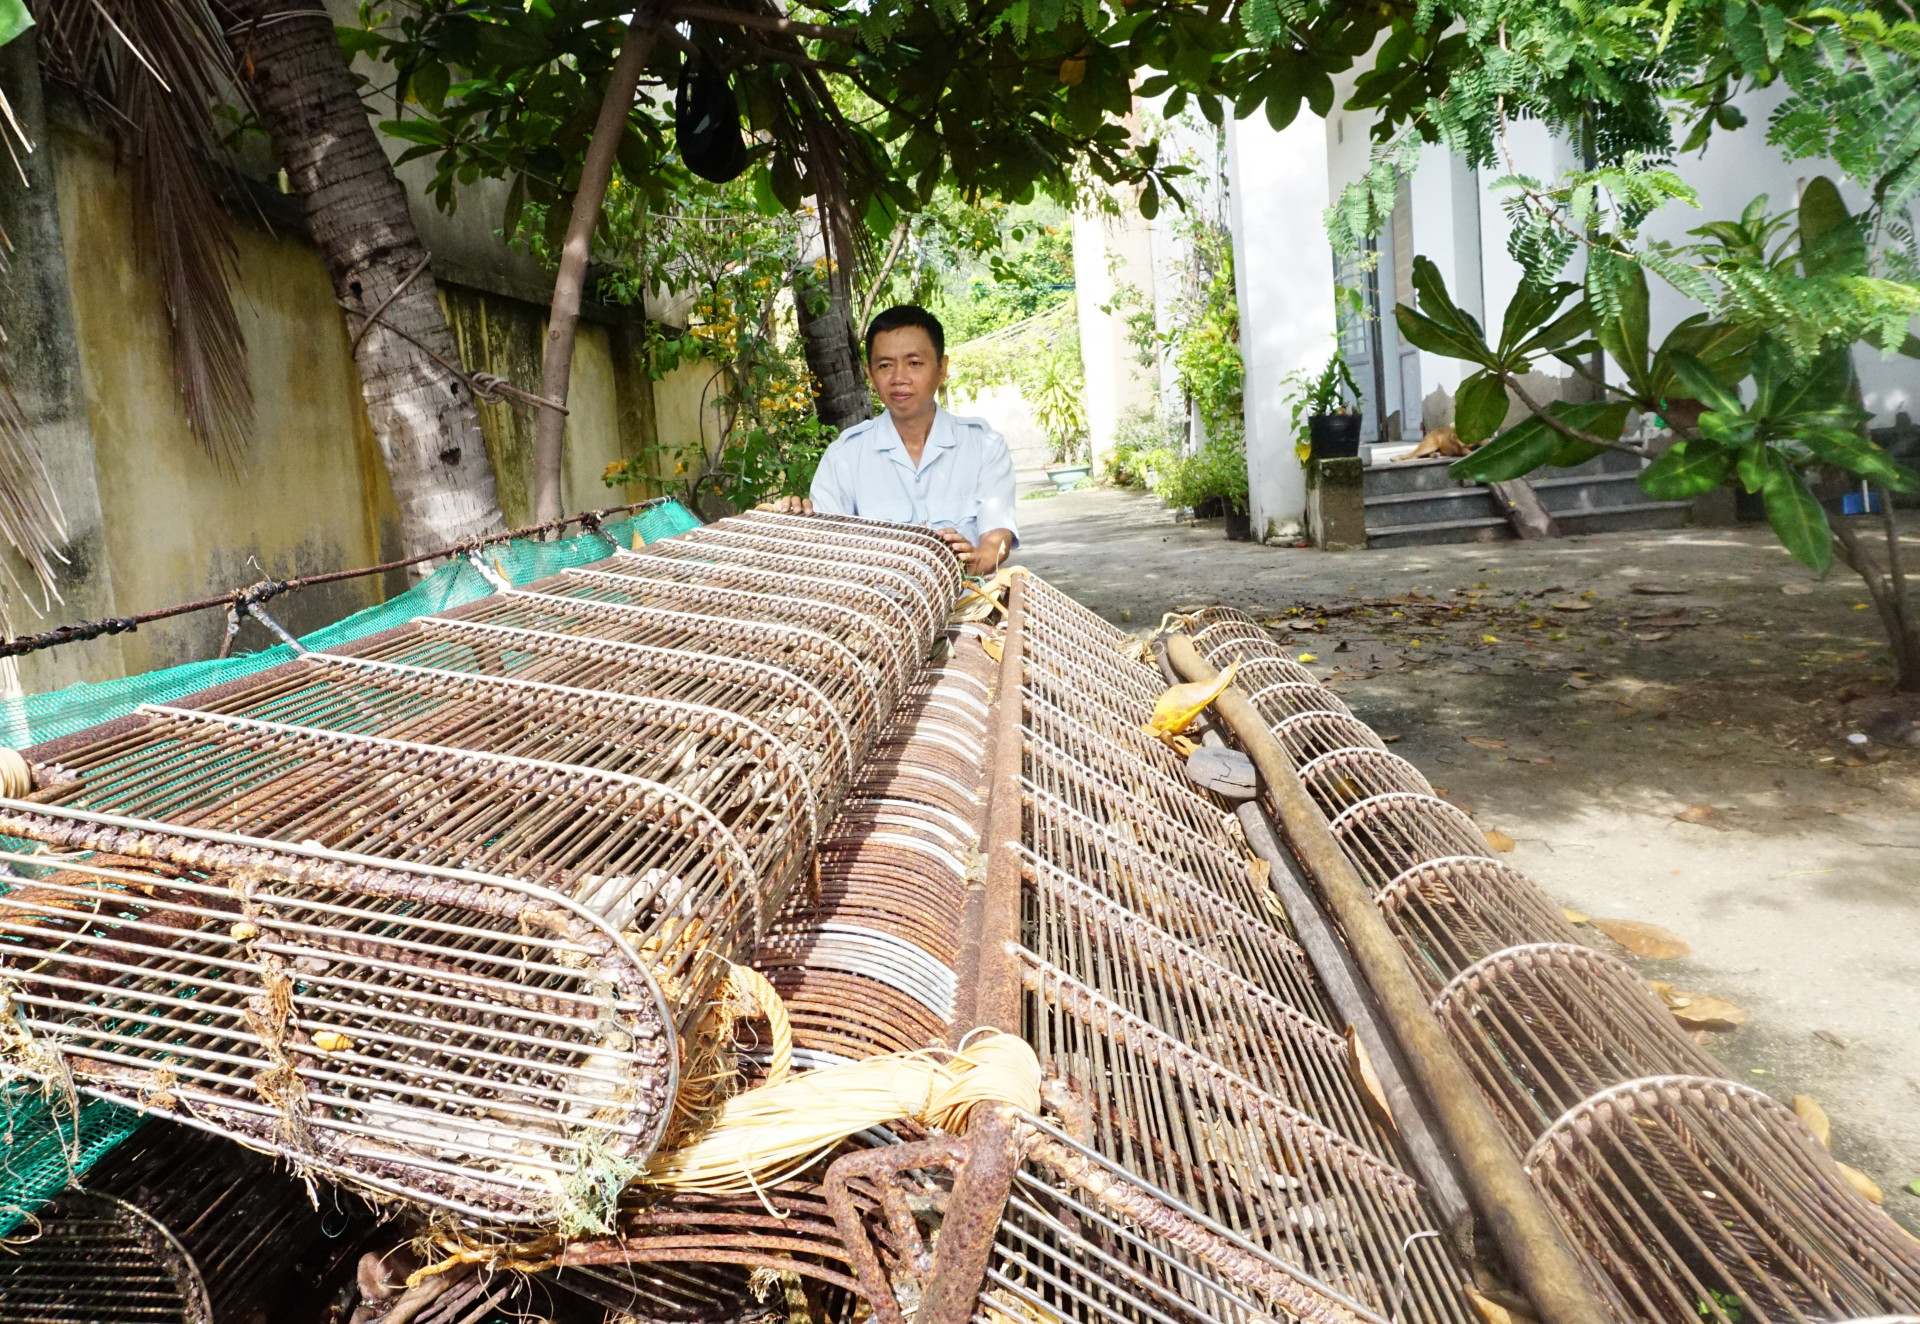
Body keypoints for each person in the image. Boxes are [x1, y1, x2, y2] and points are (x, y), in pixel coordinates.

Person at [763, 305, 1017, 576]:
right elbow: (827, 547)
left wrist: (977, 559)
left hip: (968, 606)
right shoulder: (845, 456)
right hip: (876, 611)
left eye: (914, 363)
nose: (899, 378)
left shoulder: (983, 446)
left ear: (942, 369)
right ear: (870, 374)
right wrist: (798, 524)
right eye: (885, 365)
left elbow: (997, 538)